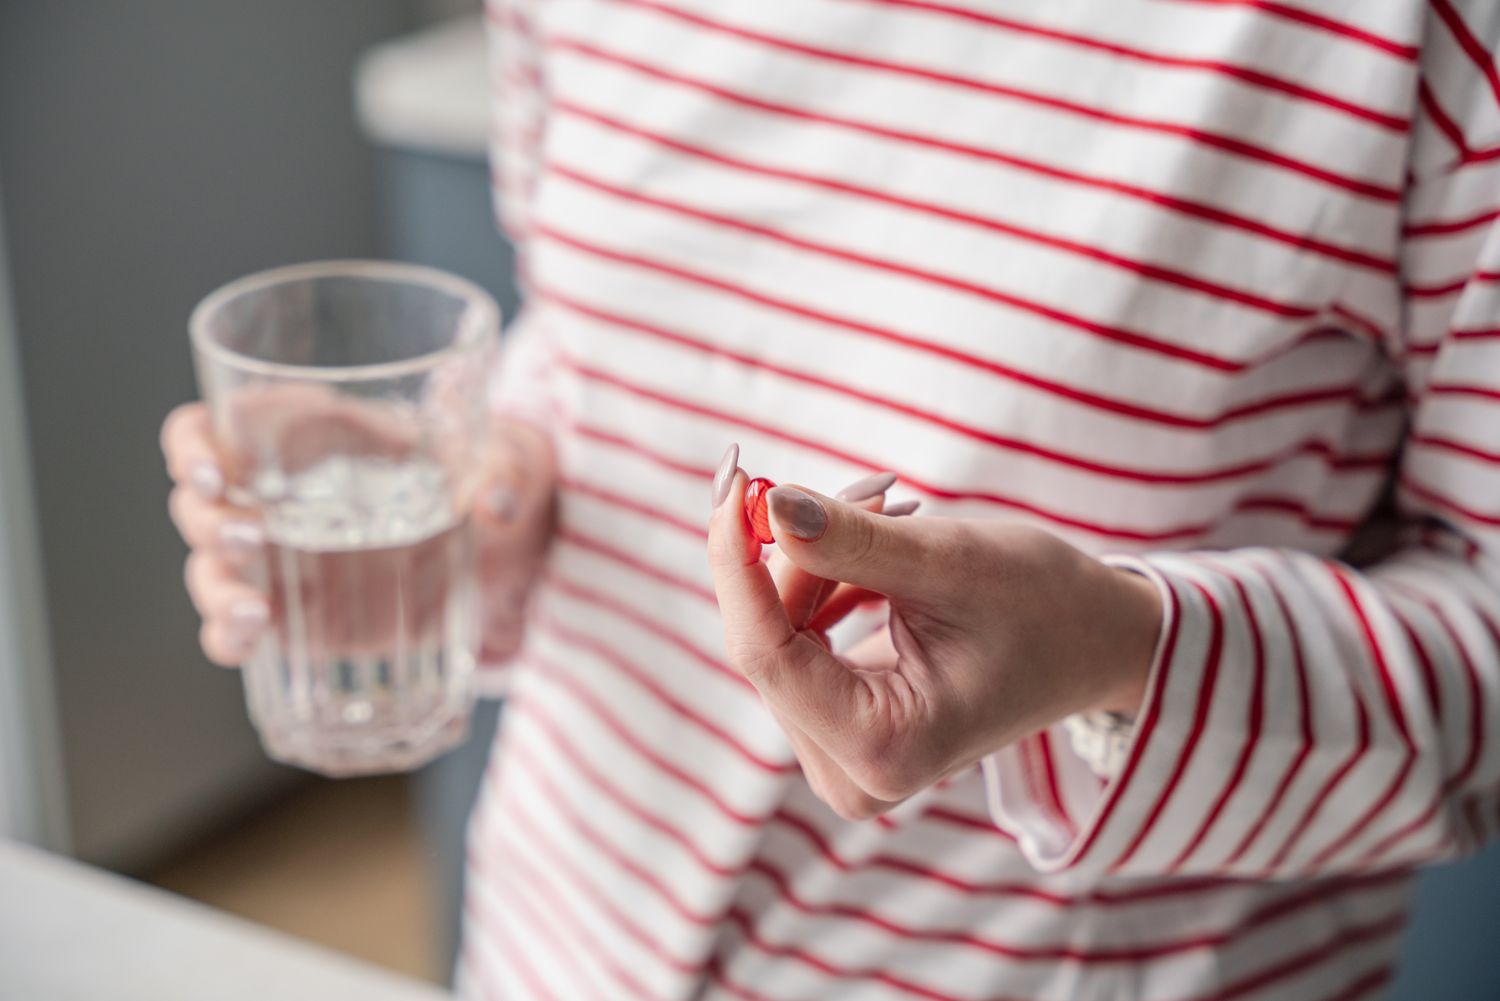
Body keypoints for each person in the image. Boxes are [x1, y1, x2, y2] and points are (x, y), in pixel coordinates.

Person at [162, 1, 1500, 997]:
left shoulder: (1417, 36)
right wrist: (494, 494)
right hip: (545, 947)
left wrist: (1115, 652)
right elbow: (581, 338)